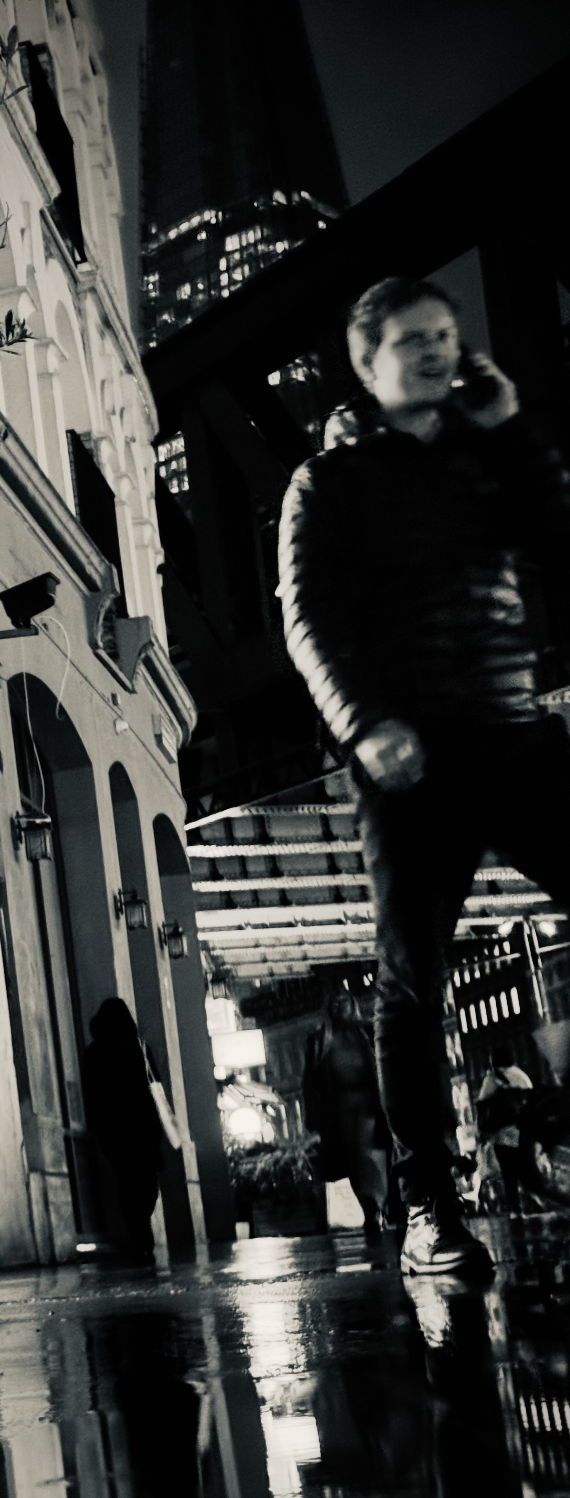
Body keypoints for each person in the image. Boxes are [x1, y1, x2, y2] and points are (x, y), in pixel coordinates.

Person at [278, 275, 570, 1276]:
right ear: (366, 362)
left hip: (512, 730)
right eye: (413, 340)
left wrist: (511, 428)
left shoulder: (487, 454)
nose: (439, 353)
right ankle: (426, 1209)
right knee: (410, 976)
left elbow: (554, 542)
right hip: (408, 754)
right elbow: (306, 618)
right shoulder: (326, 482)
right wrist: (362, 725)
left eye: (447, 335)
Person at [81, 997, 165, 1261]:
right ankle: (141, 1233)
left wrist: (99, 1129)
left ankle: (138, 1231)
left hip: (116, 1132)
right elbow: (155, 1088)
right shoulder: (137, 1049)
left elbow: (91, 1096)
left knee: (129, 1184)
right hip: (139, 1129)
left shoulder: (96, 1053)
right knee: (144, 1185)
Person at [302, 990, 390, 1240]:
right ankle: (370, 1208)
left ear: (353, 1005)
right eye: (335, 1003)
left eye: (344, 1002)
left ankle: (376, 1206)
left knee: (371, 1157)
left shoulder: (366, 1032)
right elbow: (309, 1078)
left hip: (369, 1104)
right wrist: (313, 1112)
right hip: (338, 1107)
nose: (339, 1007)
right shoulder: (320, 1039)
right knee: (351, 1161)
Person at [476, 1046, 536, 1217]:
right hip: (523, 1131)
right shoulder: (522, 1075)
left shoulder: (493, 1078)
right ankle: (533, 1203)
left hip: (502, 1134)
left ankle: (516, 1210)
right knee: (525, 1169)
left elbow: (482, 1104)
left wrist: (481, 1131)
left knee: (509, 1172)